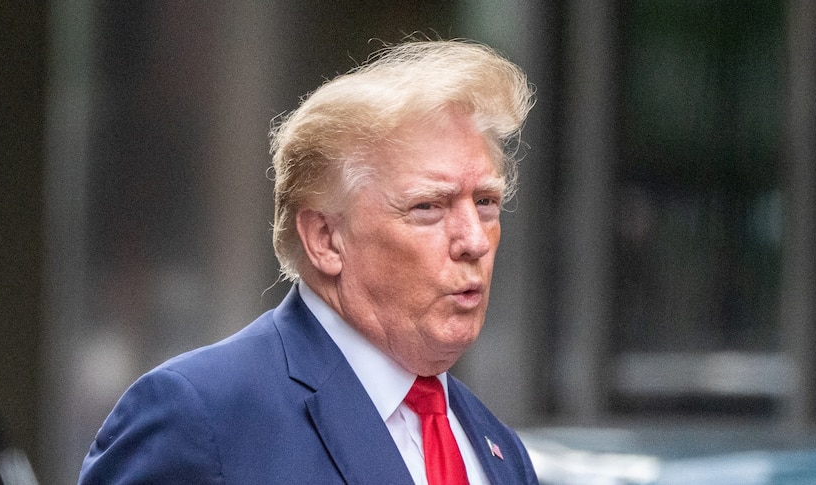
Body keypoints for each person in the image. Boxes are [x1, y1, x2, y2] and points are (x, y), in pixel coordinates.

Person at [79, 39, 537, 484]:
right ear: (325, 239)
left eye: (485, 202)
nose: (474, 240)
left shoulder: (495, 446)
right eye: (428, 207)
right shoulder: (201, 416)